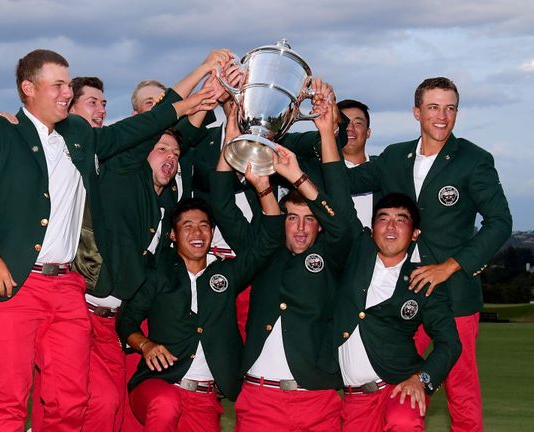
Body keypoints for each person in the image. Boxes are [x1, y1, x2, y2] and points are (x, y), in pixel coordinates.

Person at [0, 48, 215, 431]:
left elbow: (142, 126)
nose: (65, 93)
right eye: (56, 84)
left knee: (72, 401)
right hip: (12, 282)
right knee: (7, 403)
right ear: (28, 88)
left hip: (66, 289)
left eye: (67, 85)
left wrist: (201, 76)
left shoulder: (78, 135)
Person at [344, 77, 512, 432]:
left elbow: (500, 222)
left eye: (450, 108)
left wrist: (451, 267)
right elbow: (344, 182)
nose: (442, 116)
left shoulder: (473, 160)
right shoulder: (393, 157)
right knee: (393, 385)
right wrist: (294, 161)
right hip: (399, 294)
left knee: (461, 390)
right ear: (417, 112)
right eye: (434, 107)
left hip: (454, 296)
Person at [213, 94, 348, 431]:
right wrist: (231, 137)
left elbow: (342, 223)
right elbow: (221, 205)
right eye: (291, 218)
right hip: (260, 402)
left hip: (316, 401)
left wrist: (299, 176)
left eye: (308, 219)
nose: (300, 227)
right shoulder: (263, 253)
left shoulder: (334, 258)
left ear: (319, 224)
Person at [117, 182, 284, 431]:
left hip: (203, 399)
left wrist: (263, 187)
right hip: (158, 386)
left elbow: (270, 238)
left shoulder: (227, 273)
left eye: (204, 226)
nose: (197, 233)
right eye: (188, 226)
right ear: (173, 234)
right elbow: (126, 321)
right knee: (166, 403)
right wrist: (146, 345)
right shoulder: (158, 272)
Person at [337, 99, 376, 228]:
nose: (350, 129)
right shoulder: (319, 171)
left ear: (368, 132)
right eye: (343, 123)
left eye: (358, 123)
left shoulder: (385, 169)